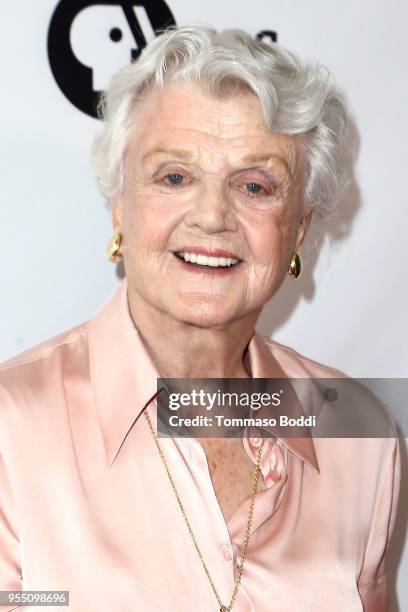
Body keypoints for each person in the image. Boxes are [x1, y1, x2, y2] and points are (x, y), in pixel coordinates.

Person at [0, 24, 400, 612]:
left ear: (300, 228)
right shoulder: (11, 430)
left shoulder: (360, 437)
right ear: (119, 206)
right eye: (175, 177)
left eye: (255, 186)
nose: (212, 217)